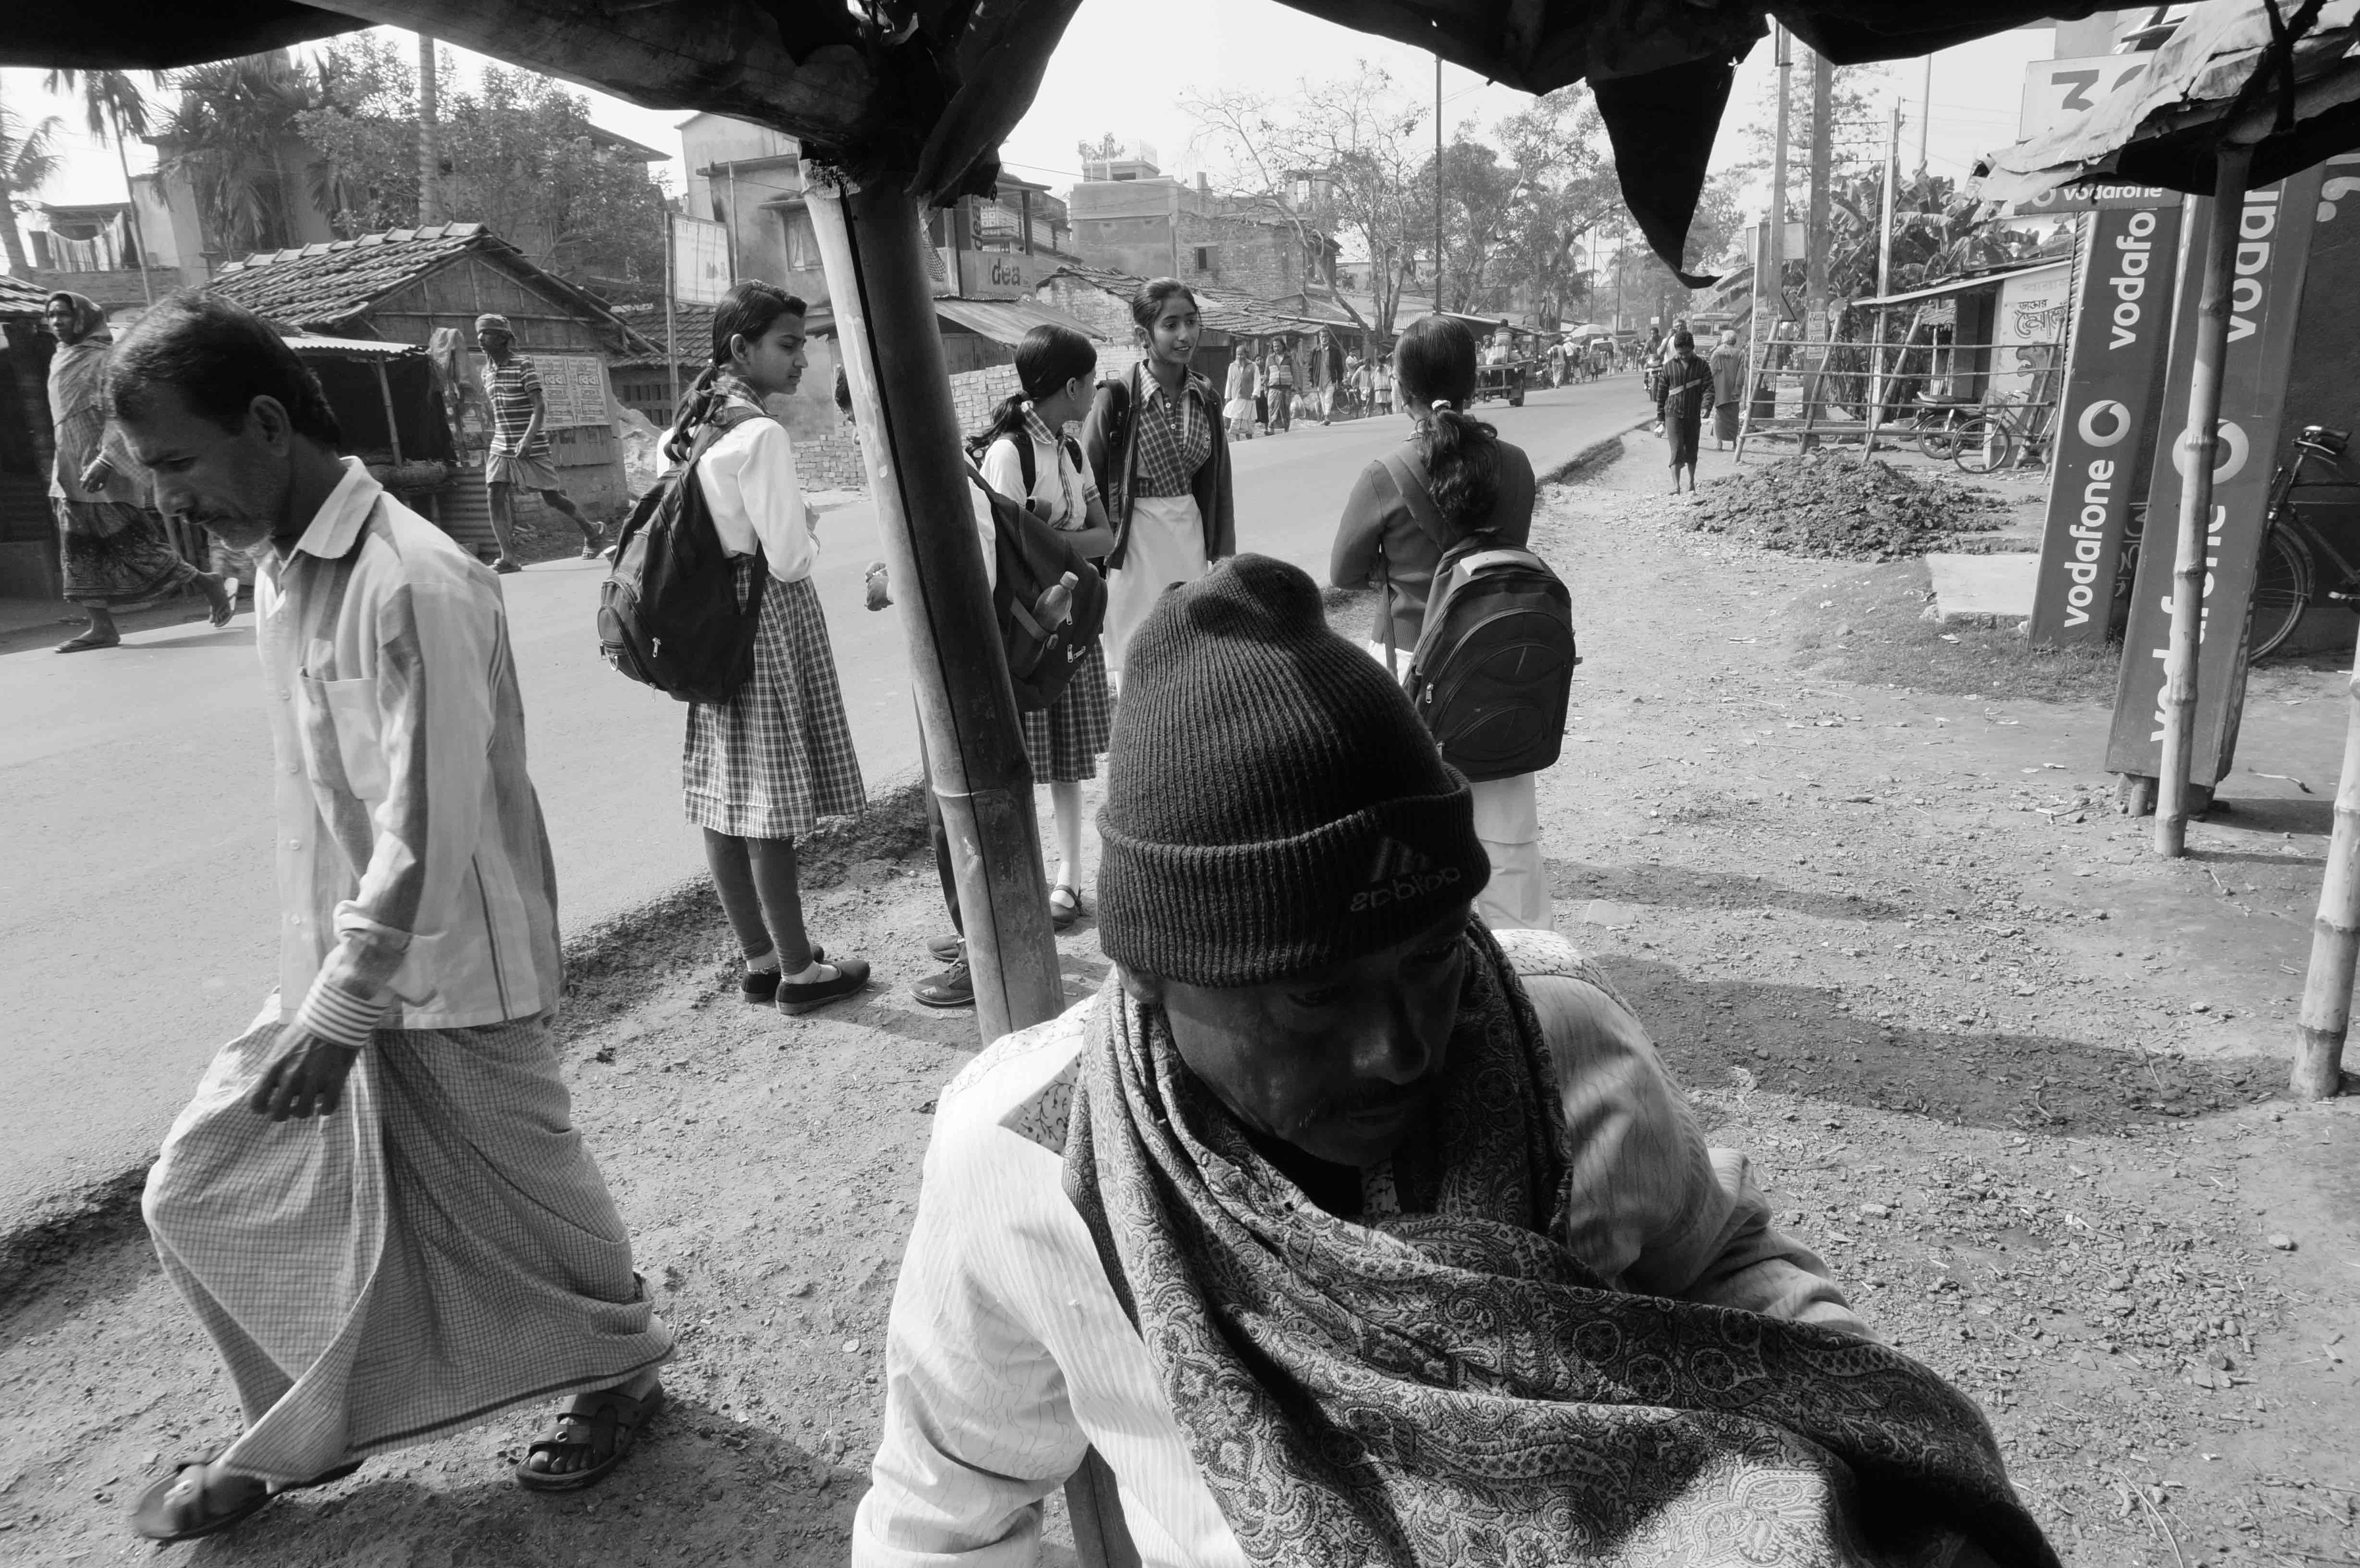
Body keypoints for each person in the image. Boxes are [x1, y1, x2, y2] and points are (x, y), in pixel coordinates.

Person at [852, 554, 2055, 1568]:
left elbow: (1718, 1256)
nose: (1401, 1044)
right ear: (1152, 975)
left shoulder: (1555, 1028)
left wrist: (1849, 1444)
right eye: (1313, 995)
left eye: (1429, 957)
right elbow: (940, 1515)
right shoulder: (1019, 1167)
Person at [110, 293, 671, 1544]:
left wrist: (346, 1005)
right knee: (197, 1187)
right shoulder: (283, 576)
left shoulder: (417, 582)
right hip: (342, 964)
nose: (166, 500)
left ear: (266, 422)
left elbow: (435, 818)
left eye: (176, 464)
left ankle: (620, 1371)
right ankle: (300, 1428)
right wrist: (332, 986)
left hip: (456, 966)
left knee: (535, 1209)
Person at [661, 282, 871, 1014]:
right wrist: (806, 521)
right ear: (741, 349)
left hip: (714, 624)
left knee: (726, 799)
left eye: (805, 343)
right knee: (773, 803)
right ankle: (799, 973)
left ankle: (758, 959)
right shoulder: (763, 436)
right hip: (768, 623)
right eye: (788, 344)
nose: (802, 359)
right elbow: (788, 558)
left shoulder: (692, 424)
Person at [915, 324, 1117, 1008]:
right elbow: (1008, 555)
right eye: (1090, 382)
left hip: (1067, 625)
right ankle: (1026, 892)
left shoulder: (1064, 448)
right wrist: (1067, 549)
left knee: (1066, 762)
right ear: (1071, 386)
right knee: (1024, 762)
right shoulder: (1008, 456)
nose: (1094, 394)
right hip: (1031, 636)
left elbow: (1105, 535)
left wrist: (1051, 545)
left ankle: (1067, 879)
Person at [1330, 313, 1552, 932]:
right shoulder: (1514, 465)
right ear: (1475, 382)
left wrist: (1391, 571)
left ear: (1401, 391)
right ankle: (1525, 969)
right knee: (1507, 831)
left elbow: (1343, 571)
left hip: (1409, 667)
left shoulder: (1386, 474)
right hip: (1497, 662)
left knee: (1410, 829)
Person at [41, 291, 231, 651]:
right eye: (51, 316)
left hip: (102, 469)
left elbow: (120, 413)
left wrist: (106, 460)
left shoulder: (104, 360)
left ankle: (208, 583)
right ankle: (101, 627)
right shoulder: (61, 359)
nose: (56, 322)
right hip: (67, 469)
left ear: (82, 318)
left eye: (63, 315)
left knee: (134, 546)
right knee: (77, 548)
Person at [1081, 277, 1235, 679]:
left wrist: (1223, 554)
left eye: (1191, 321)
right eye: (1170, 325)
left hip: (1189, 541)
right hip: (1131, 549)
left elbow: (1218, 485)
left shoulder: (1207, 397)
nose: (1185, 335)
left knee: (1192, 659)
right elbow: (1088, 483)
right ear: (1143, 334)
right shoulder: (1114, 400)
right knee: (1137, 662)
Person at [477, 312, 603, 572]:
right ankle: (508, 557)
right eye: (479, 332)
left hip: (531, 443)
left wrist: (527, 438)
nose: (481, 338)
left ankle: (592, 531)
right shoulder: (485, 372)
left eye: (488, 333)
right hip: (501, 444)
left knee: (552, 498)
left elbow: (540, 406)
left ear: (503, 339)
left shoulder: (523, 365)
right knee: (494, 494)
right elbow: (495, 410)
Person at [1656, 328, 1713, 494]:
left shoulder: (1702, 366)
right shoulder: (1668, 368)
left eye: (1686, 353)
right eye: (1680, 353)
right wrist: (1660, 417)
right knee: (1677, 449)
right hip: (1673, 414)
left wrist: (1706, 406)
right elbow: (1661, 393)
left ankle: (1692, 483)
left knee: (1692, 449)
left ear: (1692, 349)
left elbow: (1709, 388)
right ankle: (1676, 487)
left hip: (1694, 414)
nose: (1683, 356)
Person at [1709, 325, 1746, 450]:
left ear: (1724, 339)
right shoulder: (1740, 354)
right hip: (1734, 390)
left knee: (1719, 416)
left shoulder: (1717, 353)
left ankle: (1719, 444)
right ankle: (1735, 444)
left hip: (1720, 390)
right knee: (1733, 418)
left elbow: (1712, 371)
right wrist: (1738, 388)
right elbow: (1741, 374)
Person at [1221, 350, 1256, 443]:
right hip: (1236, 396)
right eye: (1238, 354)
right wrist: (1227, 397)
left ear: (1246, 355)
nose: (1239, 356)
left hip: (1249, 397)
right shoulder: (1232, 367)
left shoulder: (1253, 366)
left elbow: (1257, 380)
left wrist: (1256, 393)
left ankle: (1249, 436)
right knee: (1236, 417)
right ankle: (1237, 438)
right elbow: (1229, 383)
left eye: (1241, 354)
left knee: (1249, 418)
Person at [1264, 347, 1293, 433]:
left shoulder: (1289, 358)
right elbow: (1266, 374)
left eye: (1278, 346)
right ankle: (1271, 429)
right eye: (1275, 346)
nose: (1276, 348)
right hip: (1273, 387)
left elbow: (1295, 372)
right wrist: (1266, 389)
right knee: (1272, 407)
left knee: (1286, 408)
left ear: (1283, 346)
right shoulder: (1270, 358)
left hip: (1286, 387)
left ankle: (1286, 428)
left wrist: (1296, 386)